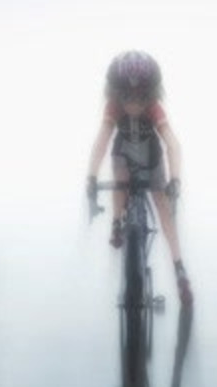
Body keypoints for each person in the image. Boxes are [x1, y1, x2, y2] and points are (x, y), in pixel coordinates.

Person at [86, 50, 192, 304]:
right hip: (125, 156)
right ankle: (116, 221)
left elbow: (173, 144)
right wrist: (91, 175)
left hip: (150, 158)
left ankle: (179, 268)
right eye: (127, 96)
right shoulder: (115, 106)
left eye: (141, 97)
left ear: (151, 94)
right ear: (116, 93)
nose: (134, 104)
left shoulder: (153, 108)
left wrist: (175, 179)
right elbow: (102, 141)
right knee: (120, 175)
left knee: (164, 209)